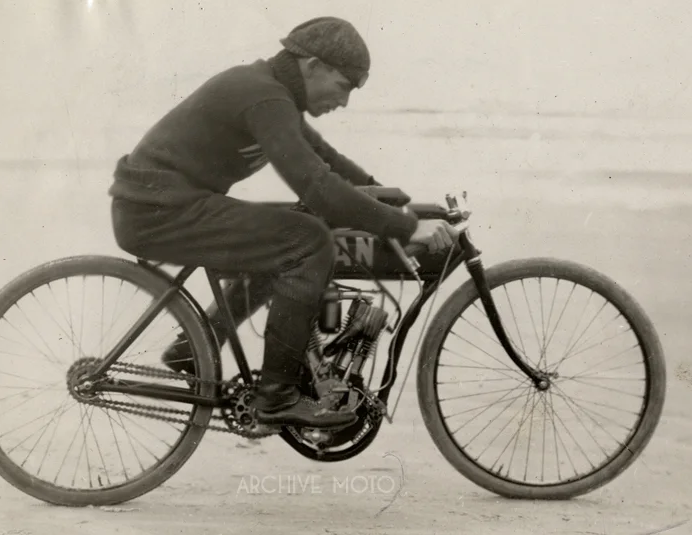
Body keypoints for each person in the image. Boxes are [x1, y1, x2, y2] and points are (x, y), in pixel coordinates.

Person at [108, 16, 458, 429]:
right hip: (156, 212)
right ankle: (275, 398)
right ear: (314, 66)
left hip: (166, 205)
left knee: (292, 229)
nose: (344, 101)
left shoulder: (273, 94)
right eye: (344, 86)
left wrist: (403, 207)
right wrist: (403, 227)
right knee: (307, 240)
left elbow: (329, 162)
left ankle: (196, 346)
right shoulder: (264, 97)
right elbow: (317, 186)